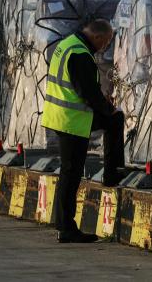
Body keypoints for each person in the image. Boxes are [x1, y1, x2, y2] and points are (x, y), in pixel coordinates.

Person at [41, 19, 125, 243]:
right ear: (97, 37)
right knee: (71, 173)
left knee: (114, 121)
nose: (105, 47)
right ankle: (66, 227)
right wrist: (108, 108)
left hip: (61, 115)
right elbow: (87, 91)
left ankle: (112, 173)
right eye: (106, 42)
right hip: (72, 119)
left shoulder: (68, 44)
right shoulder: (80, 54)